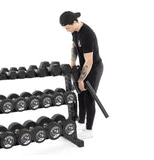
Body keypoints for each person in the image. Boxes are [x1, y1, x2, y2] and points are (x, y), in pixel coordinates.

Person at [59, 11, 103, 139]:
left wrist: (81, 79)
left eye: (67, 28)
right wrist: (73, 61)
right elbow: (74, 46)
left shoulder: (87, 34)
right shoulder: (75, 31)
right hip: (84, 66)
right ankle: (81, 123)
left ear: (74, 22)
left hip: (94, 68)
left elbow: (89, 61)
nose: (67, 31)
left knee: (89, 97)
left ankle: (89, 130)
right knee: (80, 95)